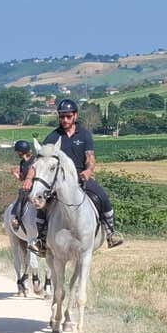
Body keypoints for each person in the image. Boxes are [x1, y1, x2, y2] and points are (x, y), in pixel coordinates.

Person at [38, 97, 122, 250]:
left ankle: (111, 232)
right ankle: (41, 239)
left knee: (102, 196)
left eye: (68, 116)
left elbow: (90, 157)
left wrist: (89, 170)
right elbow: (43, 161)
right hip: (59, 179)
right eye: (62, 116)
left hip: (81, 176)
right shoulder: (52, 137)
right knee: (41, 203)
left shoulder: (84, 135)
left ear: (75, 116)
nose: (64, 119)